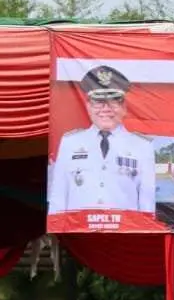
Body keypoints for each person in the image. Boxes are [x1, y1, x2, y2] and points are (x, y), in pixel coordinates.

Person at [48, 65, 156, 215]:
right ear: (88, 107)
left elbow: (147, 200)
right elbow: (58, 195)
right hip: (78, 234)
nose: (106, 109)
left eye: (113, 101)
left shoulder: (142, 146)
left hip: (125, 234)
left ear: (124, 107)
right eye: (98, 102)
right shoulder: (70, 143)